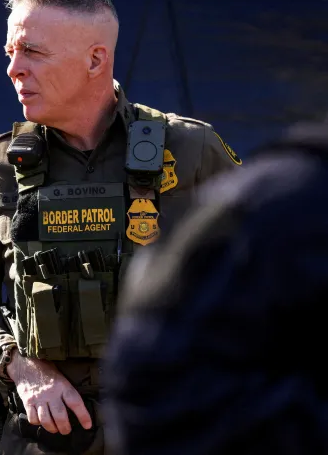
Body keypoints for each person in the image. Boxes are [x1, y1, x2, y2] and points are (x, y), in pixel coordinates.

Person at [0, 0, 243, 455]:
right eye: (10, 52)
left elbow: (275, 281)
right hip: (53, 437)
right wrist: (22, 368)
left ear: (96, 59)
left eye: (32, 51)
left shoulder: (191, 149)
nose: (14, 69)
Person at [101, 121, 328, 455]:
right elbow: (155, 380)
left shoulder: (190, 142)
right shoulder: (280, 206)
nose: (17, 75)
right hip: (56, 415)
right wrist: (21, 365)